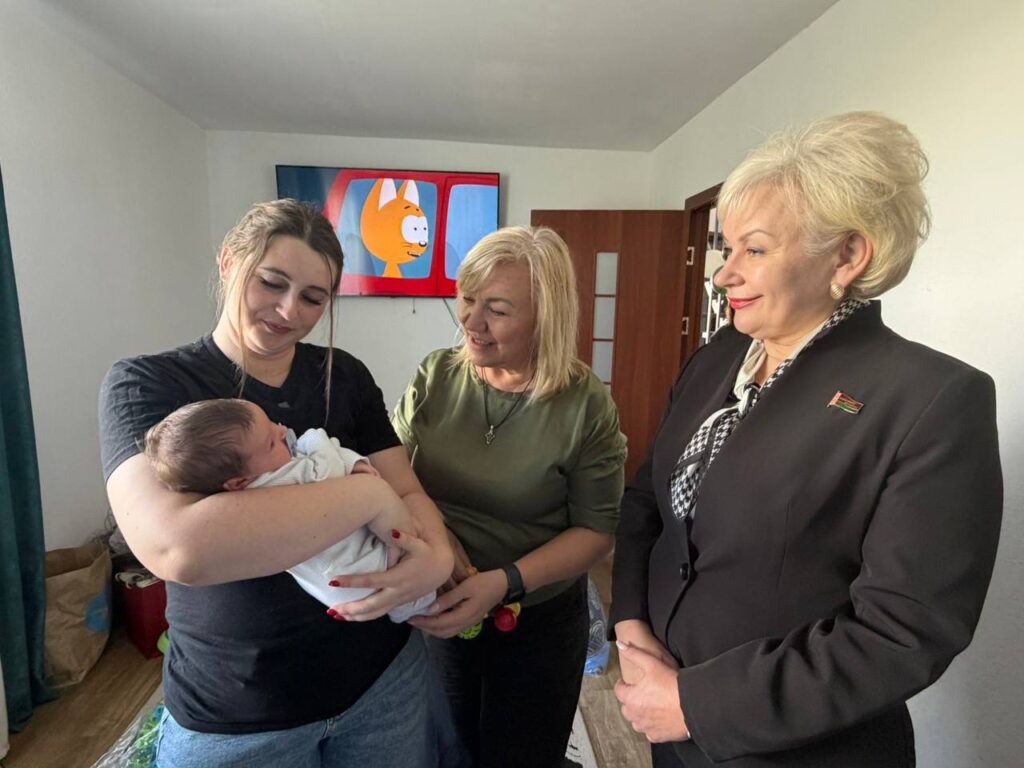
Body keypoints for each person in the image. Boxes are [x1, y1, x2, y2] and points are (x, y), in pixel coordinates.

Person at [610, 111, 1003, 768]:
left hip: (797, 750)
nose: (724, 274)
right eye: (727, 248)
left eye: (755, 250)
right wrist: (630, 626)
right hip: (667, 727)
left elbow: (904, 631)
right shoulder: (717, 358)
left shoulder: (931, 398)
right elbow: (647, 500)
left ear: (847, 256)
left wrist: (695, 704)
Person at [99, 199, 453, 768]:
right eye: (271, 282)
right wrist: (365, 495)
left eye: (313, 298)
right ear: (228, 262)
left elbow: (408, 493)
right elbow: (179, 548)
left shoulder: (344, 374)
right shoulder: (148, 384)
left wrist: (436, 558)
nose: (289, 310)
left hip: (385, 685)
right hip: (237, 716)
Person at [391, 226, 627, 767]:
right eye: (467, 299)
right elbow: (389, 474)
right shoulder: (437, 376)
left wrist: (504, 582)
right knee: (444, 749)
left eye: (496, 310)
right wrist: (438, 538)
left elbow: (596, 533)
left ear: (547, 318)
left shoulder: (584, 406)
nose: (470, 322)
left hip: (535, 617)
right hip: (438, 603)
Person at [142, 398, 434, 622]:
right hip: (361, 570)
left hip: (336, 589)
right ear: (240, 481)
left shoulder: (242, 492)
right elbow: (329, 467)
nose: (282, 429)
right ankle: (426, 604)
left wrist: (354, 467)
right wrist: (319, 441)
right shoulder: (280, 479)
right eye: (271, 442)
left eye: (272, 423)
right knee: (411, 567)